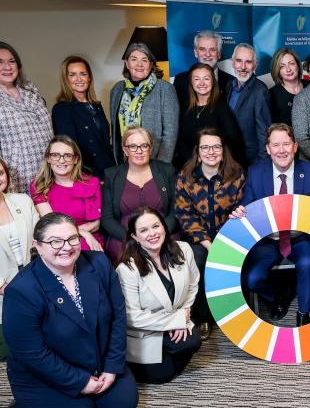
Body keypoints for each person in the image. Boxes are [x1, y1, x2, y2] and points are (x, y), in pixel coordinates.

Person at [2, 212, 138, 408]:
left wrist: (112, 366)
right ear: (38, 246)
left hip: (97, 361)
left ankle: (84, 401)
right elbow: (32, 354)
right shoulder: (21, 290)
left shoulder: (99, 263)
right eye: (55, 241)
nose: (66, 247)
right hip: (45, 375)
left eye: (72, 239)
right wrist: (80, 382)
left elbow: (117, 317)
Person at [231, 123, 310, 326]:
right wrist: (240, 211)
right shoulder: (256, 173)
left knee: (308, 263)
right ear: (268, 149)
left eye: (286, 144)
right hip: (268, 240)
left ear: (295, 146)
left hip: (300, 237)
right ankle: (280, 294)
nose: (281, 150)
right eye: (276, 145)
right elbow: (247, 205)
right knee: (252, 279)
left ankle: (303, 315)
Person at [116, 207, 202, 384]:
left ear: (164, 227)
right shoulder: (127, 269)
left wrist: (184, 313)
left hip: (174, 317)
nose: (152, 233)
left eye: (156, 226)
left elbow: (193, 284)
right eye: (143, 230)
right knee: (162, 376)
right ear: (134, 237)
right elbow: (132, 317)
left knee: (192, 341)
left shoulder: (184, 249)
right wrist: (175, 321)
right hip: (145, 330)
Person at [176, 127, 245, 339]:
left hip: (230, 235)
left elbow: (242, 209)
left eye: (216, 147)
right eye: (205, 147)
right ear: (198, 151)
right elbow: (184, 215)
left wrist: (223, 242)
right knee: (197, 261)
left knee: (237, 259)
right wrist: (207, 243)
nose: (211, 152)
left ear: (223, 150)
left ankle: (235, 312)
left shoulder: (236, 175)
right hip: (198, 239)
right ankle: (204, 317)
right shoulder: (186, 178)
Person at [102, 127, 178, 263]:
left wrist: (159, 234)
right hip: (125, 238)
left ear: (150, 149)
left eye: (144, 145)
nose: (139, 151)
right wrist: (132, 238)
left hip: (163, 235)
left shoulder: (167, 171)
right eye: (133, 146)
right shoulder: (112, 175)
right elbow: (107, 218)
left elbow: (176, 211)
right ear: (125, 150)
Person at [30, 135, 104, 251]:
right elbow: (53, 225)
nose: (61, 160)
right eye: (55, 155)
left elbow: (97, 224)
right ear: (48, 159)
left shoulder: (92, 183)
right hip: (58, 242)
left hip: (91, 240)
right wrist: (83, 233)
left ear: (75, 160)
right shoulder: (39, 186)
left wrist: (84, 233)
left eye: (67, 156)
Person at [110, 42, 179, 165]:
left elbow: (170, 133)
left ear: (151, 64)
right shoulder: (117, 89)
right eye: (134, 59)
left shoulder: (164, 89)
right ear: (126, 63)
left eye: (145, 60)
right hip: (124, 162)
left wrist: (161, 166)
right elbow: (115, 130)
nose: (139, 64)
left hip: (154, 162)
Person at [0, 41, 53, 193]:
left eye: (12, 61)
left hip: (49, 172)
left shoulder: (30, 89)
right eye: (0, 62)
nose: (7, 67)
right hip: (18, 179)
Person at [51, 55, 115, 179]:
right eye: (72, 75)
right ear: (66, 79)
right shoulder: (62, 109)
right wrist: (85, 177)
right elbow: (69, 148)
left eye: (83, 74)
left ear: (89, 77)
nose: (79, 78)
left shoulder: (96, 106)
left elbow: (104, 143)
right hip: (85, 175)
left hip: (109, 171)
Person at [0, 157, 38, 360]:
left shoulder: (22, 200)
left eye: (0, 173)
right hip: (2, 291)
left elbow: (40, 238)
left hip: (34, 279)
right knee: (9, 354)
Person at [174, 62, 245, 169]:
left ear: (213, 82)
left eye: (206, 78)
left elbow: (234, 143)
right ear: (191, 83)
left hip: (216, 169)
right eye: (197, 79)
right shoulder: (185, 109)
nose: (202, 83)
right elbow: (180, 142)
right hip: (188, 170)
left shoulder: (222, 108)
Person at [223, 43, 271, 164]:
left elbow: (264, 132)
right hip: (228, 157)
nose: (243, 67)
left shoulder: (260, 91)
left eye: (248, 62)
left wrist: (262, 165)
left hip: (250, 160)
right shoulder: (229, 85)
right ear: (233, 63)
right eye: (239, 61)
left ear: (255, 65)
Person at [173, 30, 235, 110]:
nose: (207, 54)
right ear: (196, 52)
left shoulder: (232, 81)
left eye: (212, 49)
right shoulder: (180, 80)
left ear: (219, 53)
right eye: (202, 49)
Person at [269, 47, 308, 126]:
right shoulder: (272, 95)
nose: (288, 69)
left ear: (297, 65)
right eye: (282, 66)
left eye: (291, 63)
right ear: (277, 70)